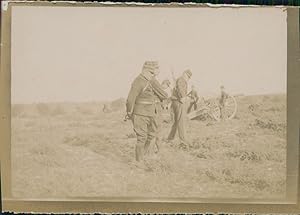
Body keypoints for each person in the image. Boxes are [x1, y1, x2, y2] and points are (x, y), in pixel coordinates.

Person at [126, 61, 168, 162]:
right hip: (144, 114)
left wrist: (129, 112)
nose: (156, 72)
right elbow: (164, 95)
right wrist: (129, 112)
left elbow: (130, 100)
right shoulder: (147, 81)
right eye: (154, 70)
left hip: (146, 113)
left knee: (148, 136)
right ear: (150, 71)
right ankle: (139, 161)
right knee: (144, 137)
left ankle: (142, 157)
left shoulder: (141, 80)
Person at [166, 69, 192, 149]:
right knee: (181, 122)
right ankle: (183, 142)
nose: (188, 78)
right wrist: (183, 97)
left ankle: (170, 138)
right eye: (188, 76)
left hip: (176, 101)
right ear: (184, 74)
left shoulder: (181, 79)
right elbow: (180, 89)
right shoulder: (181, 80)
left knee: (177, 122)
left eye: (189, 77)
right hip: (178, 102)